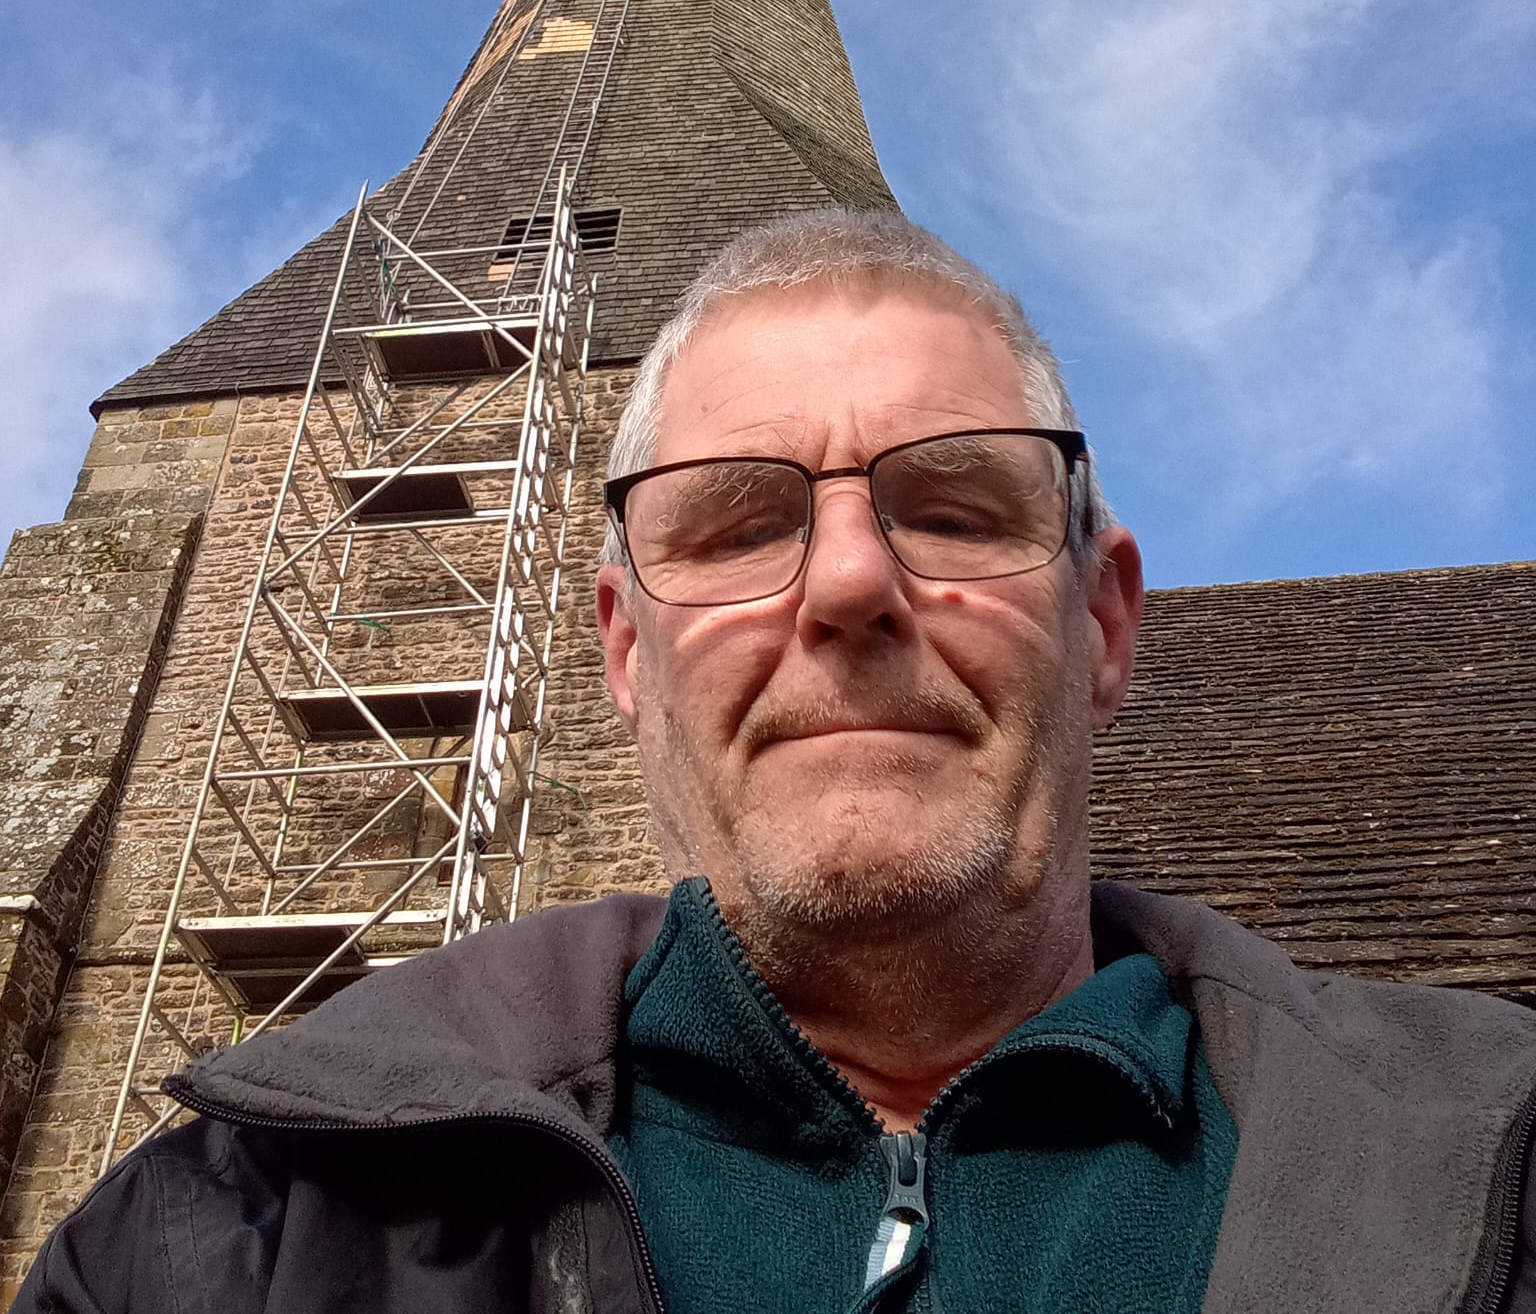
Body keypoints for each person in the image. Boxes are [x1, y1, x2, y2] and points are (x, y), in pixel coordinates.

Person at [16, 210, 1536, 1313]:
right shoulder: (231, 1242)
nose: (848, 584)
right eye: (737, 524)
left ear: (1104, 624)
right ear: (622, 648)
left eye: (950, 505)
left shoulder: (1495, 1165)